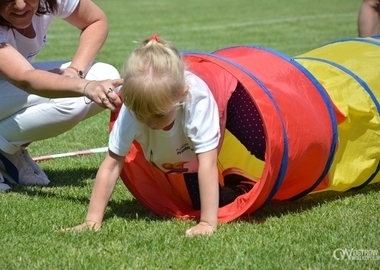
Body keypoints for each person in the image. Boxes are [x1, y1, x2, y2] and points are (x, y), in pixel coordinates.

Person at [67, 34, 262, 236]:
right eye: (143, 115)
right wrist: (92, 220)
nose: (150, 122)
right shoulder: (134, 107)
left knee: (260, 143)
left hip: (227, 92)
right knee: (197, 201)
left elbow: (208, 163)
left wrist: (207, 223)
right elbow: (112, 164)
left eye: (158, 115)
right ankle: (237, 185)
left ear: (181, 95)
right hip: (184, 144)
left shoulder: (196, 99)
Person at [0, 0, 123, 191]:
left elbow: (95, 21)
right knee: (72, 97)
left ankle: (5, 149)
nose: (20, 5)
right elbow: (25, 79)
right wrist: (85, 87)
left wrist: (76, 72)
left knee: (107, 78)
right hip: (17, 79)